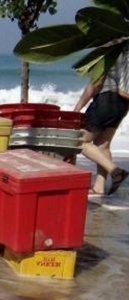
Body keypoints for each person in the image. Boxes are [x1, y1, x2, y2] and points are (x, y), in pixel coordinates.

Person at [74, 46, 129, 196]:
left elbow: (96, 83)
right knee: (103, 145)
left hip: (105, 100)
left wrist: (77, 108)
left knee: (79, 142)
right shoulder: (126, 51)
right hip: (123, 104)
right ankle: (99, 186)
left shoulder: (107, 51)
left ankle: (116, 171)